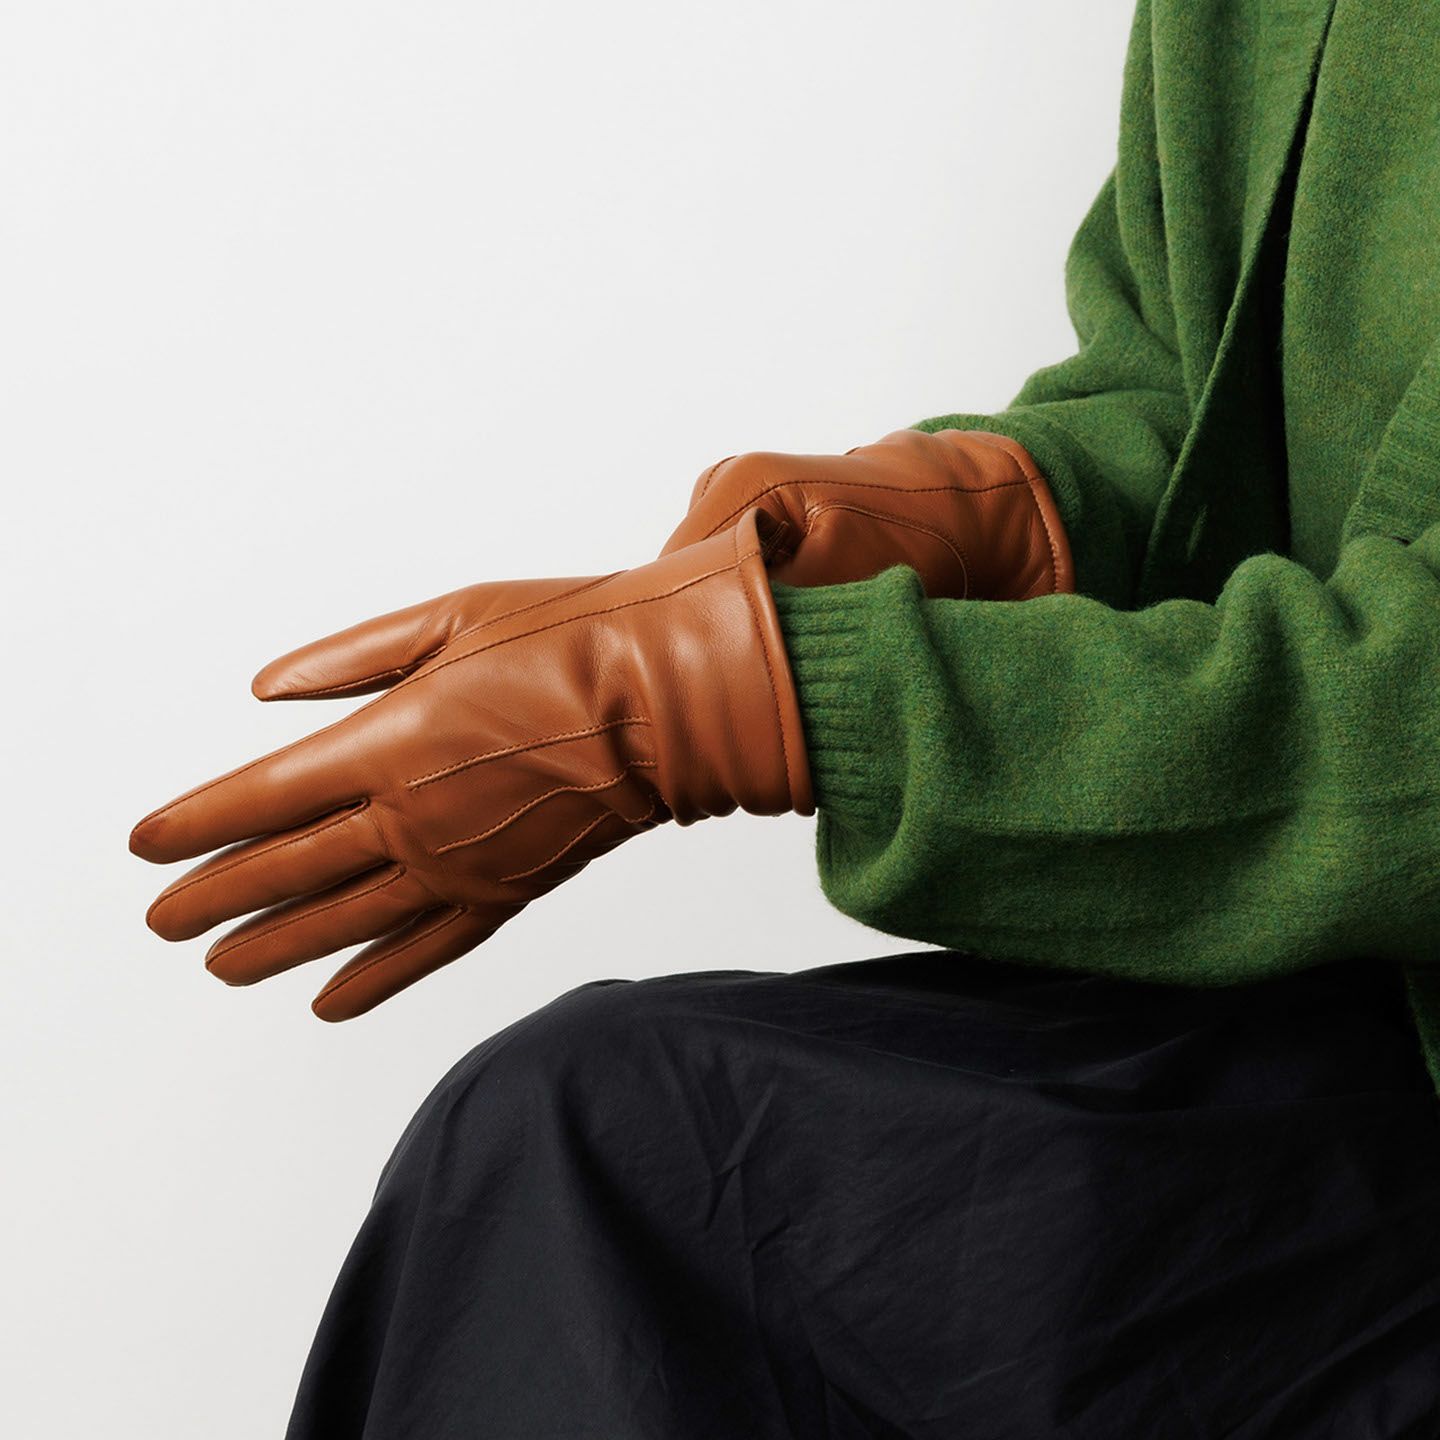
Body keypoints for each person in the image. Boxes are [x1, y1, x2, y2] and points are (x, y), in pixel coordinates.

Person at [130, 0, 1440, 1433]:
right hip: (1326, 1006)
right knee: (585, 1139)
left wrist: (751, 701)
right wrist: (988, 516)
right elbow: (1188, 390)